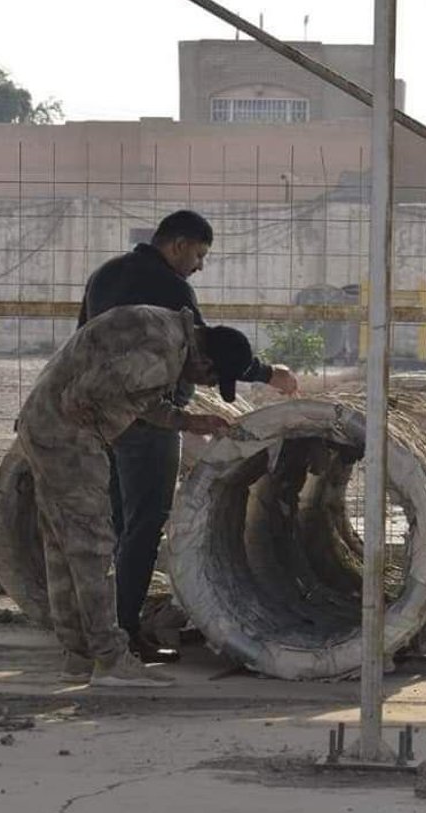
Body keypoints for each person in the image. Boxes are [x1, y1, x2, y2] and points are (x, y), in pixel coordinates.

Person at [78, 210, 298, 662]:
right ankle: (123, 635)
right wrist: (267, 373)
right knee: (143, 525)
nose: (199, 265)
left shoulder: (103, 276)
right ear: (177, 245)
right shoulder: (171, 288)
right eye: (198, 255)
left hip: (104, 418)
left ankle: (96, 630)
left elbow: (82, 342)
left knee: (117, 524)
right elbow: (204, 354)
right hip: (151, 420)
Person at [17, 305, 256, 687]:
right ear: (206, 361)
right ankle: (110, 660)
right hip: (69, 440)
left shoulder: (162, 330)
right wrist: (88, 421)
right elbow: (90, 391)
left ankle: (78, 654)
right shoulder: (162, 352)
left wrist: (189, 420)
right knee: (94, 546)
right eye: (212, 380)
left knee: (63, 545)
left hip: (42, 426)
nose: (205, 385)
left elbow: (136, 395)